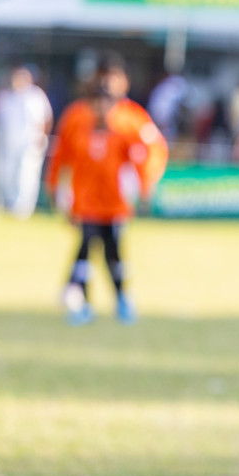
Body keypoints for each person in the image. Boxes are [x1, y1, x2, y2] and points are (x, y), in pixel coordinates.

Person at [45, 57, 167, 325]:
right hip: (86, 202)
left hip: (114, 204)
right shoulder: (77, 117)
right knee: (86, 248)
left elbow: (149, 152)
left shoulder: (128, 120)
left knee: (114, 252)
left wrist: (145, 184)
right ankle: (82, 302)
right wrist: (55, 189)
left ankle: (122, 299)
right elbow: (61, 156)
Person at [0, 65, 54, 219]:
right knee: (8, 174)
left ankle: (24, 208)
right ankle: (11, 204)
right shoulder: (7, 97)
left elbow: (46, 119)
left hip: (31, 142)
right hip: (9, 143)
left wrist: (42, 137)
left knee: (27, 174)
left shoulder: (36, 96)